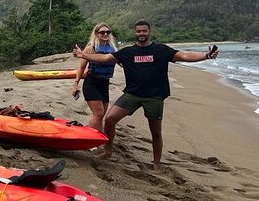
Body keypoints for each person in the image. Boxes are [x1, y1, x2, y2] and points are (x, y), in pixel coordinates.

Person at [73, 20, 218, 171]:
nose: (141, 34)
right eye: (138, 31)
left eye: (144, 31)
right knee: (109, 119)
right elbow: (105, 58)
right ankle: (108, 151)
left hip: (154, 97)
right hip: (132, 94)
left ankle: (156, 164)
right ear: (135, 33)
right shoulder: (127, 52)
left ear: (149, 32)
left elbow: (185, 55)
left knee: (155, 132)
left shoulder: (161, 50)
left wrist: (206, 55)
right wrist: (84, 55)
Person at [73, 23, 117, 132]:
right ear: (96, 34)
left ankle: (99, 139)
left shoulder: (113, 49)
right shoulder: (91, 48)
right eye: (102, 32)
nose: (105, 34)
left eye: (108, 32)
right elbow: (81, 68)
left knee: (101, 116)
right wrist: (75, 84)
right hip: (92, 83)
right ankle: (89, 138)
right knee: (98, 113)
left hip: (105, 84)